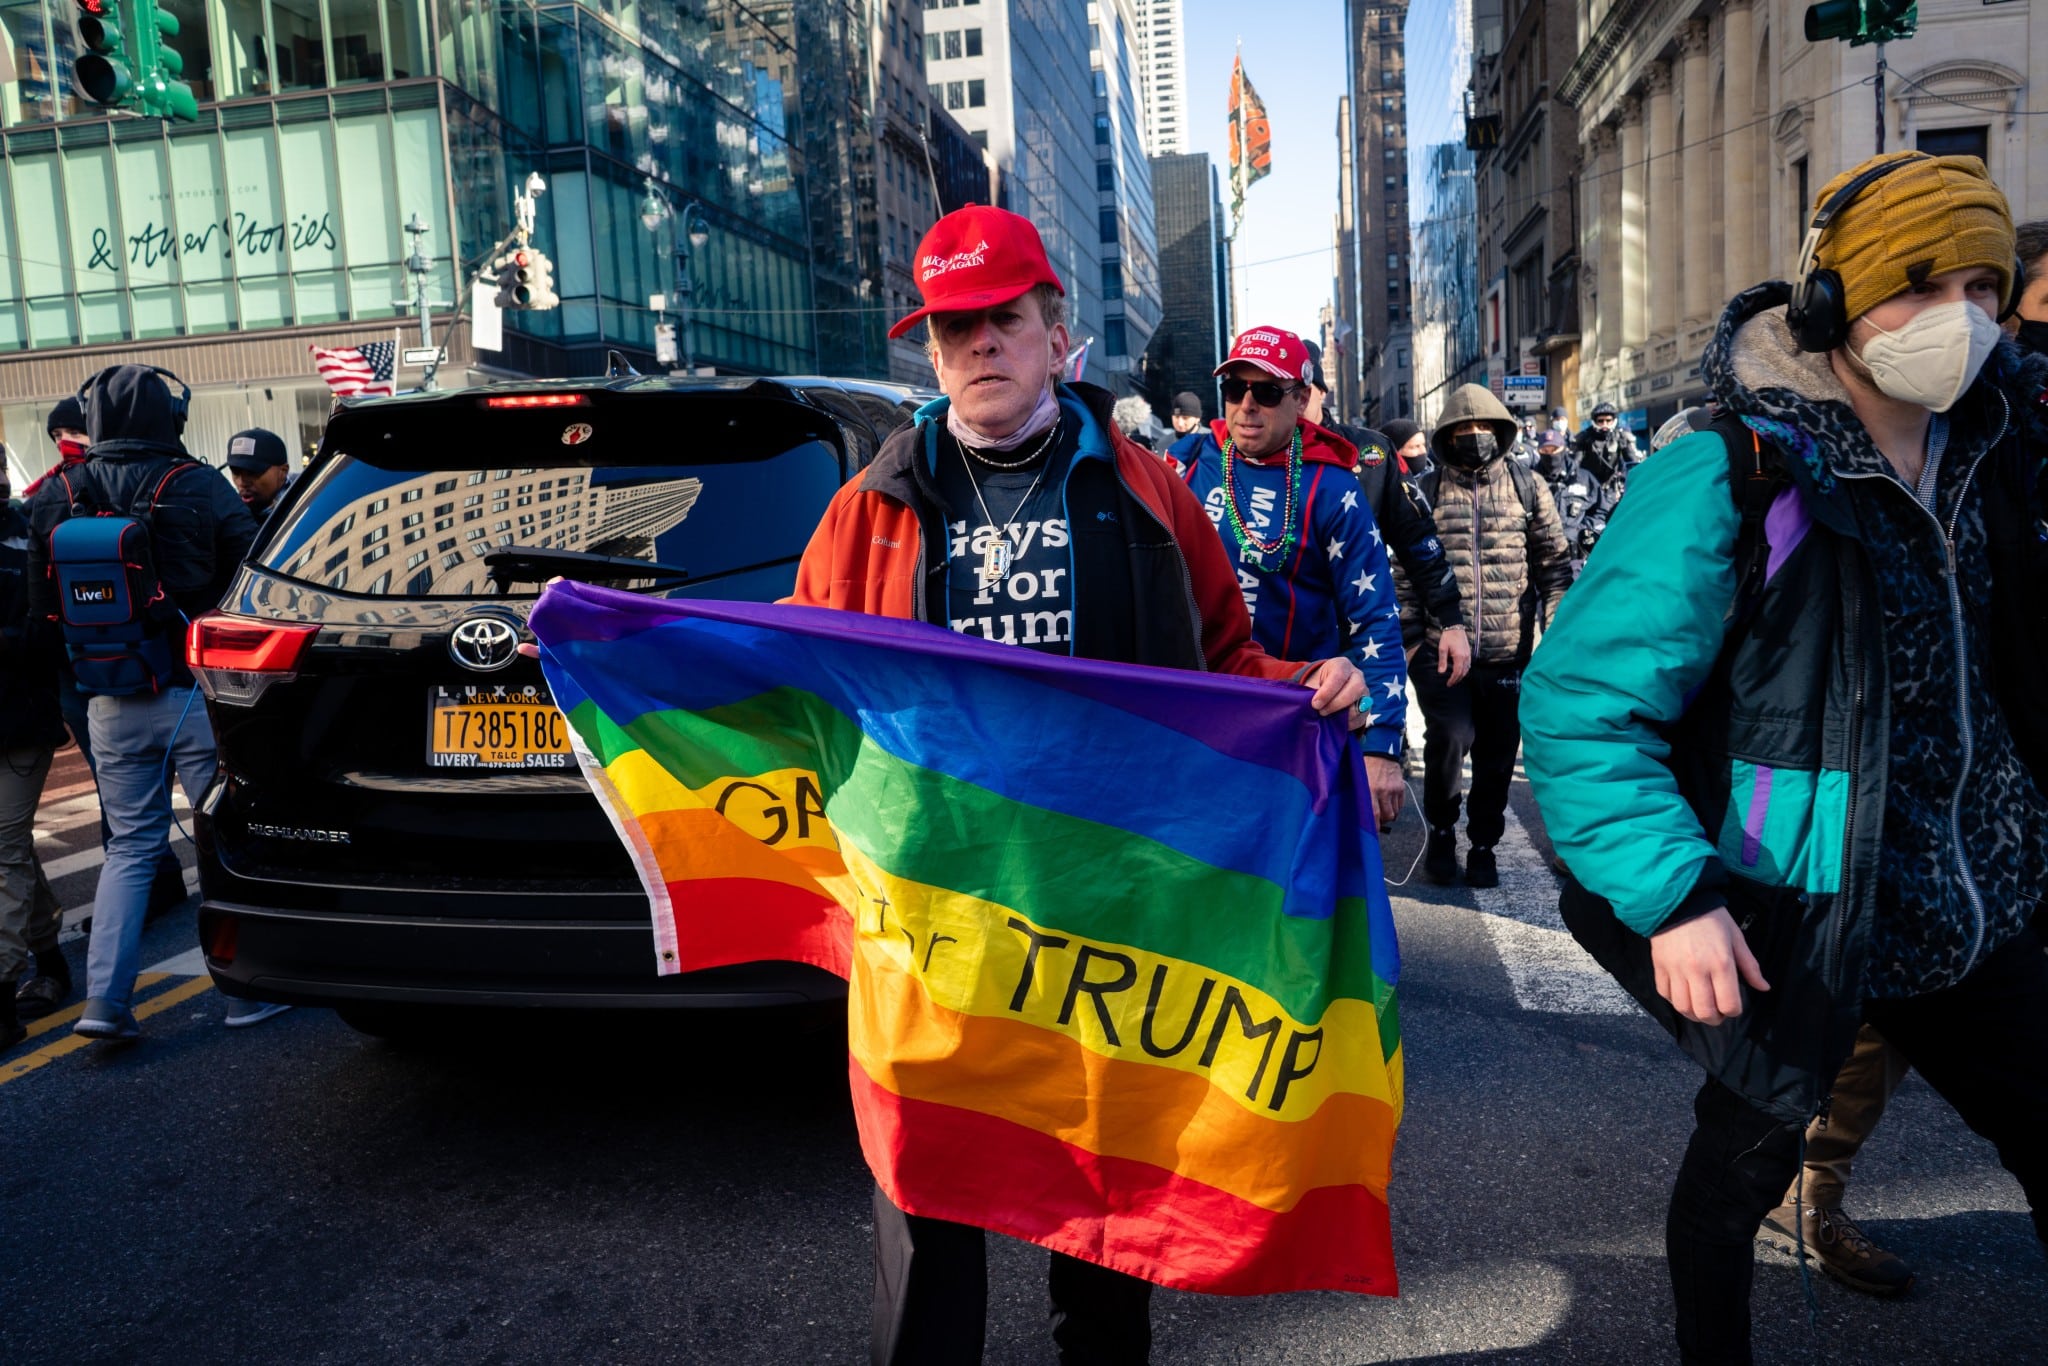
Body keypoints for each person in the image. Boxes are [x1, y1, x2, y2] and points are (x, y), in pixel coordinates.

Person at [786, 204, 1367, 1366]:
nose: (977, 346)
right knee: (924, 1195)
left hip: (1106, 920)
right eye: (953, 329)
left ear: (1057, 332)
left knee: (1101, 1203)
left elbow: (1225, 661)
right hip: (934, 926)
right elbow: (798, 679)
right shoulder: (871, 509)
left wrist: (1313, 683)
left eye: (1001, 318)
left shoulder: (1151, 494)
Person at [1521, 150, 2048, 1363]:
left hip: (1973, 901)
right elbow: (1580, 705)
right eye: (1914, 288)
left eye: (1980, 286)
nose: (1955, 321)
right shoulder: (1725, 466)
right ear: (1830, 305)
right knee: (1738, 1171)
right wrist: (1675, 898)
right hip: (1791, 908)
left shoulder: (2004, 443)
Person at [24, 366, 284, 1039]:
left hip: (106, 698)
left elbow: (38, 614)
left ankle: (104, 1004)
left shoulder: (55, 493)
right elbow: (254, 588)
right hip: (196, 695)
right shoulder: (197, 485)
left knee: (130, 850)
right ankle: (242, 992)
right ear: (171, 416)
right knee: (221, 841)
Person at [1170, 326, 1409, 830]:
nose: (1247, 405)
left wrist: (1382, 743)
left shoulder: (1334, 487)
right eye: (1236, 389)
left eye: (1268, 391)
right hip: (1198, 724)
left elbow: (1376, 623)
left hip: (1298, 727)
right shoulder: (1189, 464)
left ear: (1301, 399)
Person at [1404, 384, 1572, 888]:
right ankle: (1441, 831)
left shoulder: (1528, 486)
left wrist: (1556, 635)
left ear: (1501, 433)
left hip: (1509, 654)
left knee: (1499, 755)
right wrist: (1412, 639)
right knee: (1449, 742)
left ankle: (1483, 844)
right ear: (1445, 436)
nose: (1473, 438)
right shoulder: (1427, 491)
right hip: (1441, 654)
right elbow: (1405, 569)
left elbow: (1554, 567)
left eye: (1483, 430)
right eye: (1461, 431)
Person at [1296, 345, 1470, 691]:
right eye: (1281, 391)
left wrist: (1451, 621)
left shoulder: (1371, 452)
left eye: (1304, 392)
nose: (1295, 403)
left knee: (1371, 737)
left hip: (1362, 638)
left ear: (1321, 393)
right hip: (1283, 648)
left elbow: (1419, 541)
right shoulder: (1240, 460)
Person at [0, 465, 67, 1050]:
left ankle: (2, 995)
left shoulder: (22, 536)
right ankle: (50, 959)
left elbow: (42, 633)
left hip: (18, 721)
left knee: (3, 852)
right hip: (20, 713)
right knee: (11, 848)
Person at [225, 428, 294, 530]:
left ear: (283, 471)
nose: (242, 482)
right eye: (236, 472)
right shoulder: (232, 515)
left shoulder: (305, 508)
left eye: (252, 473)